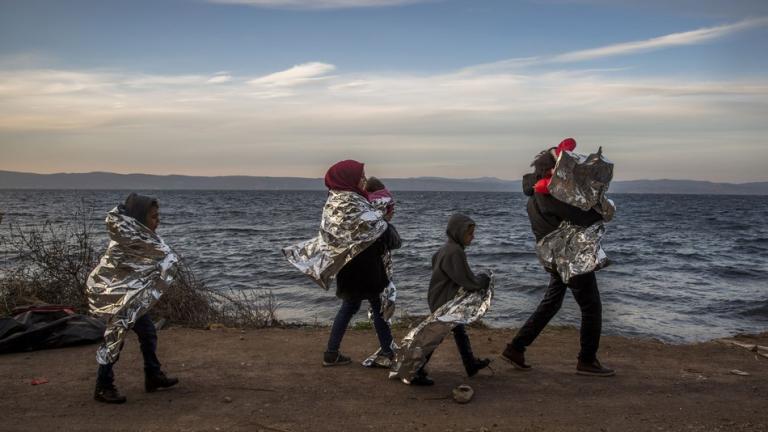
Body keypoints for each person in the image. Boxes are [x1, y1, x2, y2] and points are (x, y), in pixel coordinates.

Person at [501, 144, 615, 377]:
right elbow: (583, 218)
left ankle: (516, 347)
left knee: (552, 302)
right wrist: (601, 208)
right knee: (591, 306)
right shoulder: (551, 195)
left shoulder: (535, 195)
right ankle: (587, 360)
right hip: (569, 257)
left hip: (552, 256)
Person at [91, 193, 179, 403]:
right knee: (115, 340)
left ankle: (153, 375)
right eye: (154, 217)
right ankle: (103, 386)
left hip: (133, 299)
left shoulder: (142, 239)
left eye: (158, 216)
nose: (158, 221)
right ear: (139, 219)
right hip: (119, 300)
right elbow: (118, 272)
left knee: (148, 333)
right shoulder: (125, 241)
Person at [323, 161, 402, 366]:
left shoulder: (336, 203)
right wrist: (385, 220)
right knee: (379, 308)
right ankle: (388, 352)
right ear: (349, 177)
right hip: (368, 266)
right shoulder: (356, 202)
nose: (364, 179)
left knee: (349, 306)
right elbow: (378, 230)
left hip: (348, 266)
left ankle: (331, 353)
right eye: (361, 175)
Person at [410, 214, 492, 386]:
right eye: (470, 234)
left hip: (439, 297)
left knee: (458, 331)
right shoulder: (455, 252)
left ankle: (470, 365)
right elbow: (467, 281)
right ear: (458, 232)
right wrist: (484, 279)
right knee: (436, 336)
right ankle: (415, 370)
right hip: (444, 301)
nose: (473, 237)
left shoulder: (446, 249)